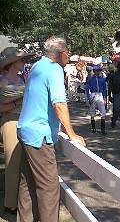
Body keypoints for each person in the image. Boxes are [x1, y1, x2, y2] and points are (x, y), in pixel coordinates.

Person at [16, 36, 86, 222]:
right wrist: (71, 133)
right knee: (49, 187)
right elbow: (59, 104)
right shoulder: (55, 69)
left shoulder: (37, 66)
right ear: (61, 53)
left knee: (27, 185)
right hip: (39, 135)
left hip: (25, 130)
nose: (69, 55)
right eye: (68, 52)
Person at [0, 47, 35, 214]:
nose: (24, 62)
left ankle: (19, 201)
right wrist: (19, 101)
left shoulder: (21, 79)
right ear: (12, 62)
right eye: (21, 60)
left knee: (22, 165)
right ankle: (10, 204)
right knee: (12, 165)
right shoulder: (2, 81)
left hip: (21, 121)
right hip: (10, 122)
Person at [86, 65, 107, 134]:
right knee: (92, 112)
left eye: (98, 70)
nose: (97, 72)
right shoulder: (90, 79)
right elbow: (87, 89)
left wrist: (105, 98)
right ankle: (93, 128)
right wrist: (89, 98)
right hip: (93, 94)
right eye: (96, 71)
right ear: (94, 71)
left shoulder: (102, 79)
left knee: (103, 112)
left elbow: (104, 89)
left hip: (100, 95)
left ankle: (103, 129)